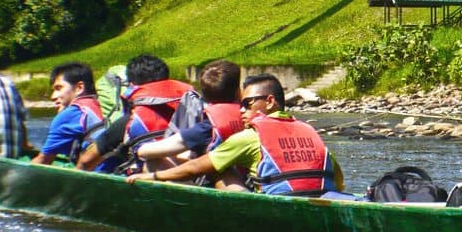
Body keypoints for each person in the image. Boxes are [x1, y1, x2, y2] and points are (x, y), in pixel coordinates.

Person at [133, 73, 351, 198]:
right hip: (321, 199)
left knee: (218, 170)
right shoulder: (310, 131)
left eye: (247, 104)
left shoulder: (250, 136)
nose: (241, 110)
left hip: (277, 207)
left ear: (270, 102)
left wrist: (152, 177)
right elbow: (338, 183)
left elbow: (195, 168)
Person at [131, 59, 244, 171]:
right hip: (243, 174)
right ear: (238, 92)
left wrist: (138, 148)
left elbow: (144, 151)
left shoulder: (207, 128)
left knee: (153, 163)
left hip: (217, 177)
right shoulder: (248, 115)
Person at [32, 62, 107, 167]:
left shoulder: (70, 114)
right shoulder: (98, 104)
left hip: (97, 175)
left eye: (59, 88)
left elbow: (43, 161)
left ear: (79, 88)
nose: (53, 96)